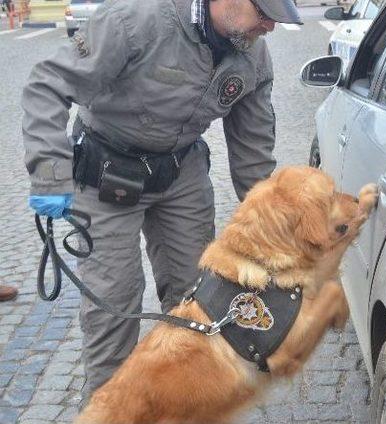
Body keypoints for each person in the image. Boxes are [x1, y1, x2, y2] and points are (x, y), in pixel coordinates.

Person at [22, 0, 302, 407]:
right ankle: (109, 409)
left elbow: (253, 151)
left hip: (179, 173)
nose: (271, 27)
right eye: (264, 14)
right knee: (113, 306)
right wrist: (49, 172)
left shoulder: (252, 55)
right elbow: (48, 84)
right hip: (106, 172)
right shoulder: (134, 20)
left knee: (201, 299)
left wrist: (273, 230)